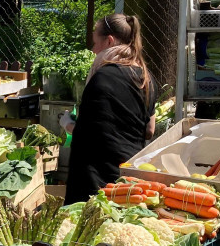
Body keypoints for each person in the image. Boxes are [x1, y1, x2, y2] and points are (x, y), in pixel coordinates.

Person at [63, 13, 158, 205]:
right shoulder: (147, 79)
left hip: (95, 182)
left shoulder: (102, 78)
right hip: (128, 180)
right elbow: (150, 130)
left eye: (95, 43)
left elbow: (87, 135)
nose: (93, 50)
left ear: (109, 41)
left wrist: (66, 124)